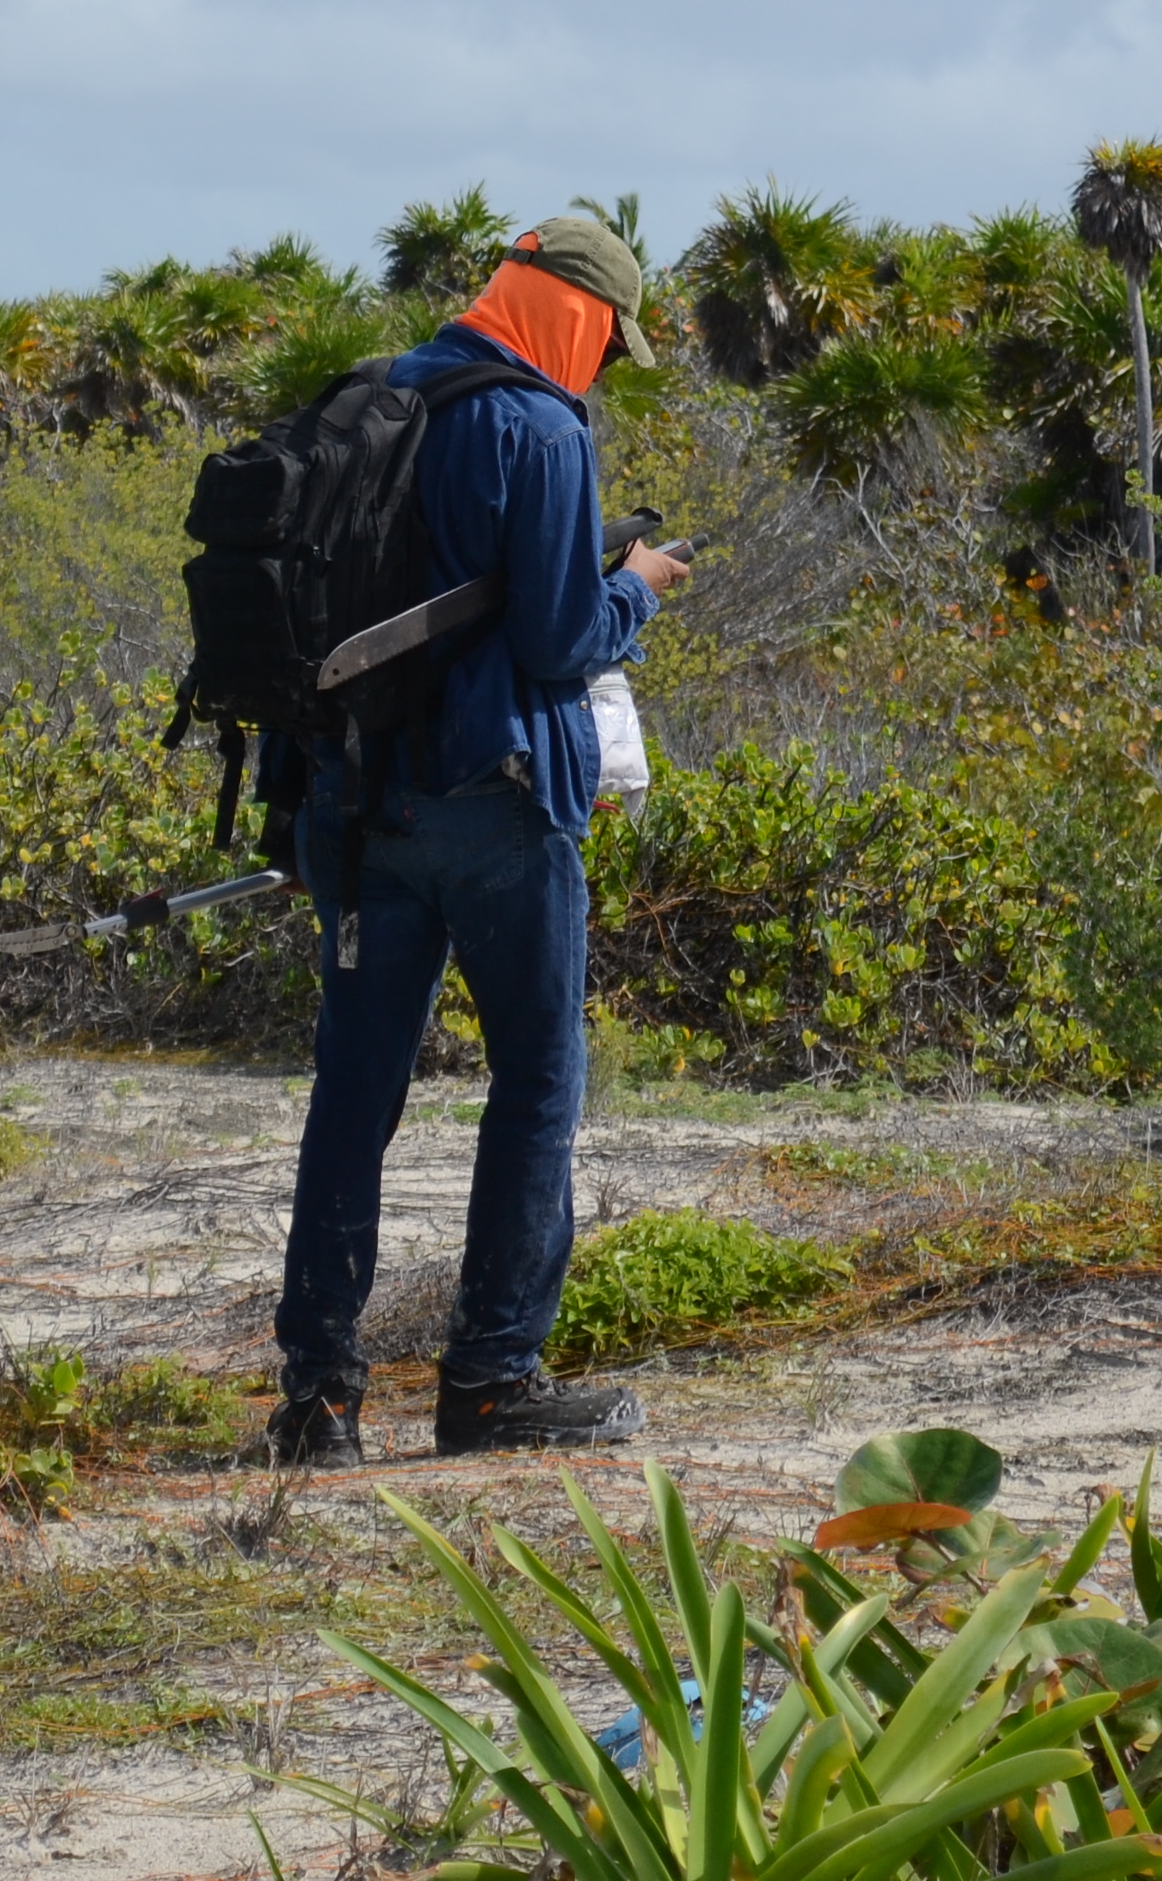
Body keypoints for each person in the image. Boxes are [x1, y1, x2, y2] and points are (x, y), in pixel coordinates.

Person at [266, 213, 689, 1464]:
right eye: (611, 343)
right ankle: (492, 1386)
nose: (604, 368)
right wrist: (639, 587)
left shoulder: (371, 398)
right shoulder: (543, 428)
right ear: (579, 313)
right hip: (498, 811)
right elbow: (563, 639)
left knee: (354, 1098)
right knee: (537, 1086)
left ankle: (318, 1405)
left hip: (357, 804)